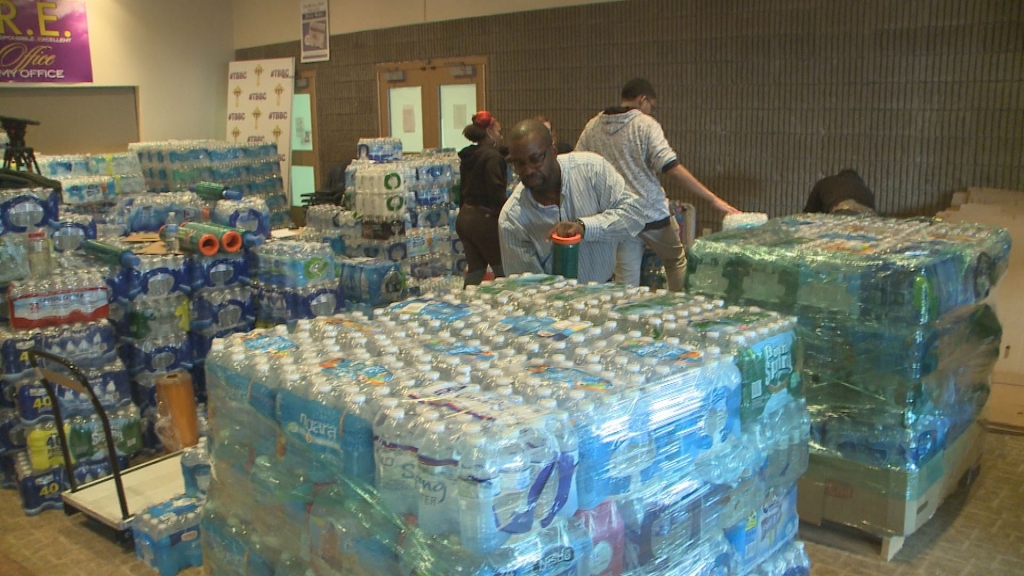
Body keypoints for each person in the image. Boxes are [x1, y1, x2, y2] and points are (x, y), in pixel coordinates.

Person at [576, 78, 740, 292]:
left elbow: (579, 163)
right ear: (643, 100)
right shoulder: (644, 124)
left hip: (619, 217)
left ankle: (626, 320)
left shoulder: (593, 126)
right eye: (651, 105)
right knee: (675, 262)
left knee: (626, 285)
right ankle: (678, 311)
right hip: (650, 213)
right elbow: (671, 166)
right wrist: (713, 200)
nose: (650, 110)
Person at [498, 119, 646, 283]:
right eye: (519, 164)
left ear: (553, 151)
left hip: (603, 290)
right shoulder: (511, 219)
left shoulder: (591, 170)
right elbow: (528, 287)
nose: (528, 170)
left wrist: (585, 227)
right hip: (554, 302)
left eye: (536, 159)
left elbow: (635, 214)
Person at [456, 111, 507, 285]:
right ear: (490, 133)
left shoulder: (468, 156)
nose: (501, 136)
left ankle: (466, 305)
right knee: (503, 270)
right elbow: (496, 193)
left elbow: (461, 190)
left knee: (476, 271)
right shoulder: (493, 158)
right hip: (484, 221)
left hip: (465, 218)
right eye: (499, 132)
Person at [804, 169, 876, 214]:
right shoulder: (866, 189)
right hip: (868, 213)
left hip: (843, 209)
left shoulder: (826, 182)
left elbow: (809, 211)